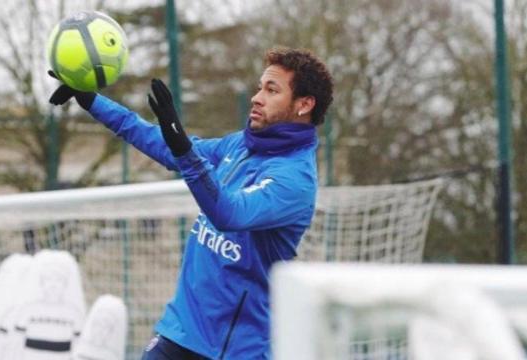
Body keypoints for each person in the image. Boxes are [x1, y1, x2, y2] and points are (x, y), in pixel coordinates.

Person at [49, 47, 334, 359]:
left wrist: (183, 147)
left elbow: (229, 212)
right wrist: (92, 101)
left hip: (231, 351)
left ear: (304, 104)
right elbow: (164, 145)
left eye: (272, 90)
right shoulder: (239, 145)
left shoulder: (295, 180)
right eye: (259, 87)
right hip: (179, 332)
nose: (257, 97)